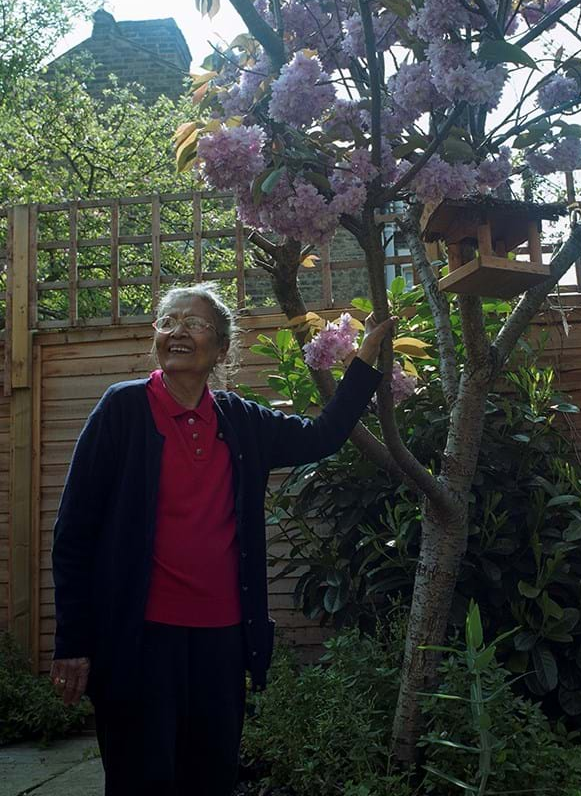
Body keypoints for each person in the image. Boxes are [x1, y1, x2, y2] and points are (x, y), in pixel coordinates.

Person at [50, 282, 394, 796]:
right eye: (167, 322)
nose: (177, 332)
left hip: (223, 638)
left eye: (194, 323)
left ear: (222, 348)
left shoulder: (241, 420)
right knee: (141, 779)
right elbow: (74, 532)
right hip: (140, 639)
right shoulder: (122, 410)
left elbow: (321, 436)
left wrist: (365, 360)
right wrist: (74, 642)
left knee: (211, 777)